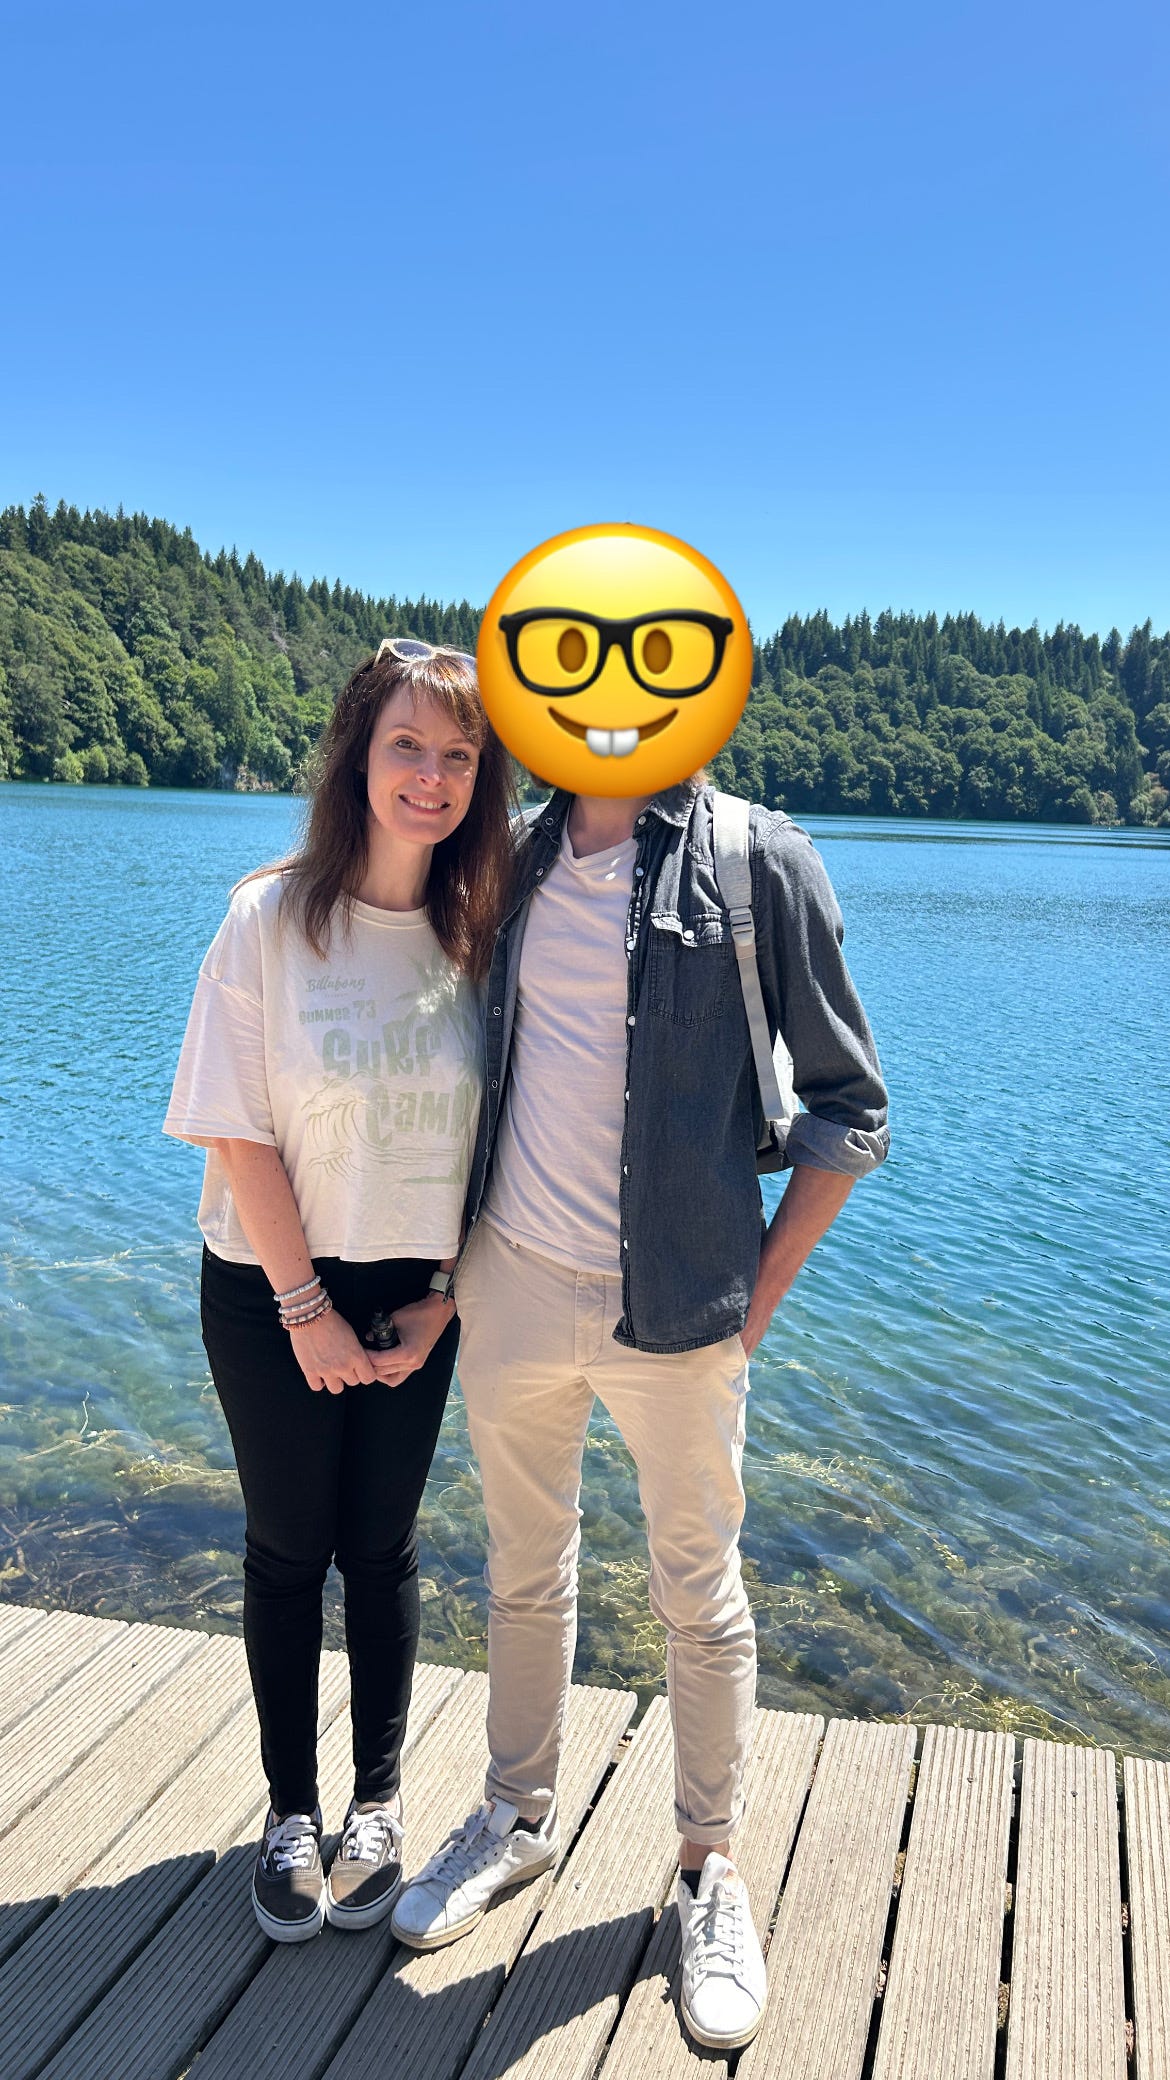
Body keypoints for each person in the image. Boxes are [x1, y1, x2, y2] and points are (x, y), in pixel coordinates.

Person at [390, 774, 889, 2051]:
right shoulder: (512, 854)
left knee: (699, 1594)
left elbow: (850, 1107)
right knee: (522, 1570)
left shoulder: (759, 860)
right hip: (509, 1281)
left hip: (682, 1301)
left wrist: (756, 1298)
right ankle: (514, 1817)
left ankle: (708, 1872)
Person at [163, 638, 514, 1942]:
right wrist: (303, 1306)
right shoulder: (269, 918)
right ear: (358, 757)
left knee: (381, 1547)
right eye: (405, 745)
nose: (430, 775)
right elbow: (234, 1126)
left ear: (480, 780)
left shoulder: (480, 935)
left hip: (417, 1287)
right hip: (271, 1281)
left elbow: (511, 1139)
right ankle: (290, 1814)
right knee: (285, 1548)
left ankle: (375, 1804)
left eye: (458, 755)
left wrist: (451, 1296)